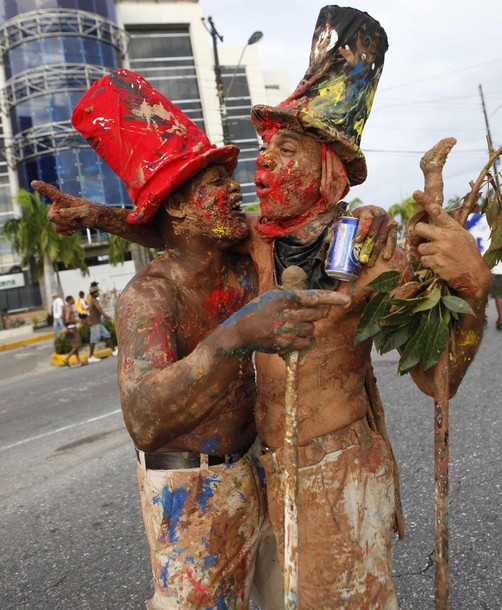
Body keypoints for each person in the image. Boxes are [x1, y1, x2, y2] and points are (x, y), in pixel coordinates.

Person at [243, 6, 491, 608]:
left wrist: (474, 292)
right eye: (264, 148)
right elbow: (175, 224)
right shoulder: (249, 241)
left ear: (328, 169)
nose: (263, 163)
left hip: (338, 478)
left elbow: (437, 383)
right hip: (261, 478)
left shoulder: (372, 250)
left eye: (285, 149)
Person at [87, 284, 117, 363]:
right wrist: (108, 317)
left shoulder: (92, 301)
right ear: (94, 293)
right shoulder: (94, 301)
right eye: (96, 292)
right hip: (95, 323)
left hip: (98, 323)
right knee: (93, 339)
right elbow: (100, 310)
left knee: (107, 335)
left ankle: (114, 351)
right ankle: (91, 357)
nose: (98, 293)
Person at [62, 295, 84, 367]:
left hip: (69, 328)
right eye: (72, 299)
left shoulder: (66, 308)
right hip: (72, 329)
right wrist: (77, 320)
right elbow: (67, 319)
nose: (74, 300)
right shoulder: (68, 308)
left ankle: (79, 361)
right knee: (78, 344)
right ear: (69, 300)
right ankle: (66, 358)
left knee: (75, 346)